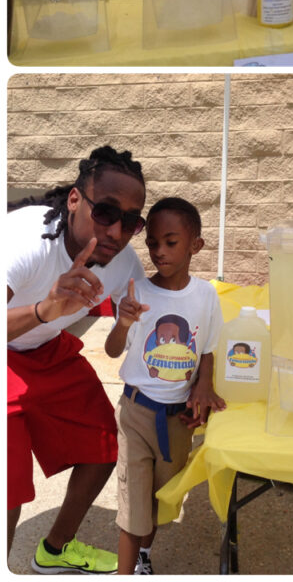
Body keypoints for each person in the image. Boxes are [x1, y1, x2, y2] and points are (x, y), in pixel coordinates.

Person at [7, 146, 148, 574]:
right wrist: (43, 311)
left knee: (105, 445)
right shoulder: (26, 242)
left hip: (44, 351)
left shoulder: (123, 263)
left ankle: (55, 549)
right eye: (105, 211)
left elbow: (158, 322)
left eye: (131, 221)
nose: (116, 230)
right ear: (74, 200)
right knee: (8, 489)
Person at [104, 197, 225, 575]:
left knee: (160, 498)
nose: (158, 251)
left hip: (177, 420)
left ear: (196, 245)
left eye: (170, 242)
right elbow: (111, 350)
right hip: (135, 413)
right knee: (132, 505)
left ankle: (144, 553)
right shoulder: (137, 292)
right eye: (152, 243)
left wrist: (202, 387)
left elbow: (207, 347)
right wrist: (122, 322)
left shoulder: (205, 295)